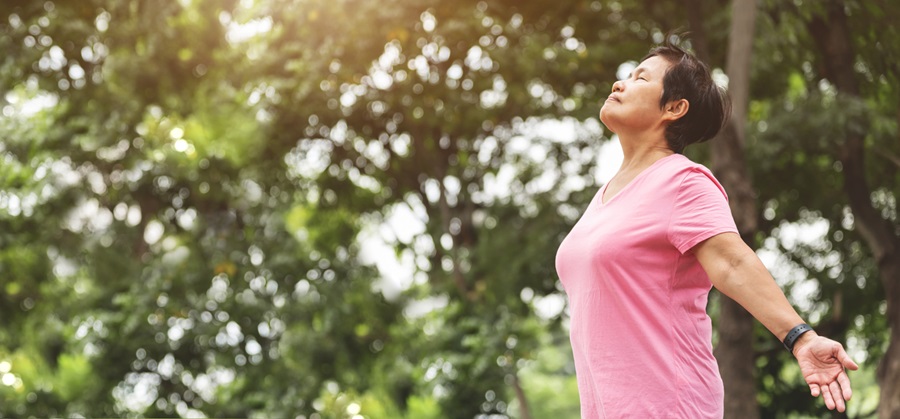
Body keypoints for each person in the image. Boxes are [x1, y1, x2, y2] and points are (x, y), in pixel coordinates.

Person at [554, 40, 859, 418]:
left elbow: (731, 263)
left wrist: (801, 338)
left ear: (674, 108)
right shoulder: (603, 197)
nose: (620, 84)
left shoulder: (684, 181)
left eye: (640, 78)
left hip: (669, 405)